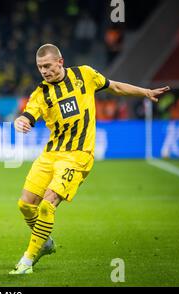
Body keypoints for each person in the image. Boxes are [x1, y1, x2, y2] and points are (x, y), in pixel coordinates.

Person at [10, 44, 170, 274]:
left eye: (47, 66)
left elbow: (114, 86)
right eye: (39, 67)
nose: (44, 71)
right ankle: (44, 242)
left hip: (78, 155)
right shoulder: (41, 93)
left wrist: (145, 92)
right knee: (25, 205)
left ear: (60, 62)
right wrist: (20, 121)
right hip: (51, 153)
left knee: (47, 205)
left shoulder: (84, 74)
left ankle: (27, 260)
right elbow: (28, 114)